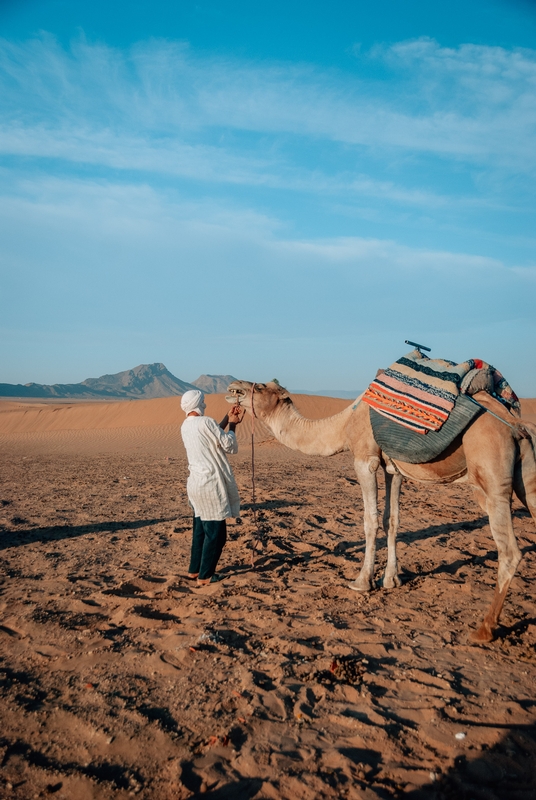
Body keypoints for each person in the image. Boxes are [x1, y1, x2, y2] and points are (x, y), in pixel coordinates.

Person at [180, 389, 245, 586]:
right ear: (199, 403)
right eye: (203, 401)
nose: (205, 405)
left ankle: (195, 570)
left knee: (200, 530)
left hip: (195, 485)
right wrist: (233, 425)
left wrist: (227, 416)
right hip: (210, 486)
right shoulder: (205, 422)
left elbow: (210, 434)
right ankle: (206, 576)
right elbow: (228, 445)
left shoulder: (186, 425)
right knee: (216, 534)